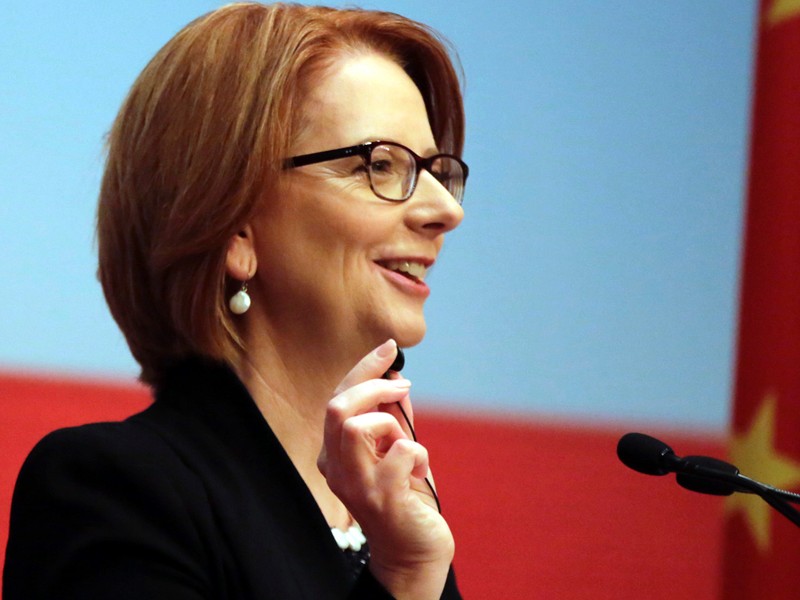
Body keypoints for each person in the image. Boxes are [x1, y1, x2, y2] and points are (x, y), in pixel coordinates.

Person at [3, 2, 468, 599]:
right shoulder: (115, 491)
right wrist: (401, 580)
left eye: (436, 171)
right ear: (235, 226)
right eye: (380, 164)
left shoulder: (399, 524)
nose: (445, 211)